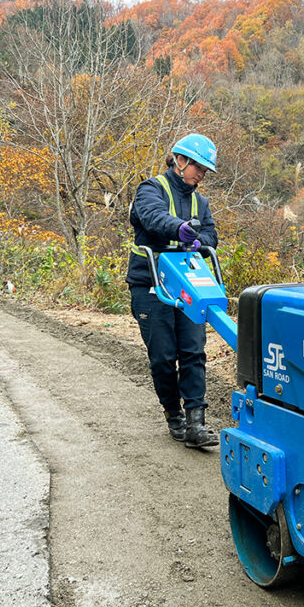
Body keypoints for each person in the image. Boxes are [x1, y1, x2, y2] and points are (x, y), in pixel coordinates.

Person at [126, 134, 220, 449]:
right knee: (163, 357)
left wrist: (200, 241)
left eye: (206, 171)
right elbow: (152, 217)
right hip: (150, 284)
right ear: (180, 160)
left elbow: (210, 234)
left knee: (193, 350)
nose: (201, 175)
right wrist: (177, 228)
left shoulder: (200, 202)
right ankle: (173, 414)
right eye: (198, 168)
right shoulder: (150, 189)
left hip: (187, 285)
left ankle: (196, 423)